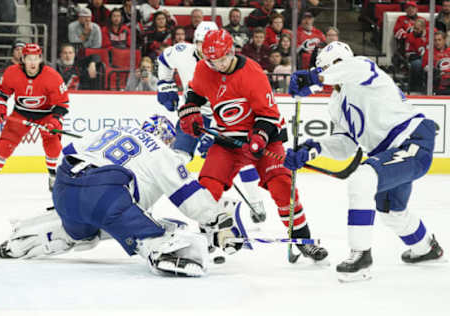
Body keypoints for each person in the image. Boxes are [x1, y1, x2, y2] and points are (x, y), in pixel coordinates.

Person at [0, 116, 247, 277]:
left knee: (86, 234)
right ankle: (159, 249)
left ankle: (29, 236)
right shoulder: (161, 152)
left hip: (64, 187)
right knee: (157, 233)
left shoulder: (115, 129)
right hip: (105, 193)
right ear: (166, 138)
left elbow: (68, 150)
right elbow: (187, 194)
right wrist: (216, 220)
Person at [286, 41, 444, 282]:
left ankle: (361, 257)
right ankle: (427, 248)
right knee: (392, 212)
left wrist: (314, 77)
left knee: (361, 178)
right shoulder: (336, 104)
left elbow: (351, 68)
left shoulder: (364, 70)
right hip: (388, 154)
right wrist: (313, 149)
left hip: (413, 140)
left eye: (336, 65)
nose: (336, 71)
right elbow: (345, 145)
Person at [178, 29, 328, 261]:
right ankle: (206, 239)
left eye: (221, 59)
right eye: (211, 60)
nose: (216, 65)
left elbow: (268, 115)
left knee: (282, 185)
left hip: (265, 137)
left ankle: (303, 240)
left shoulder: (252, 72)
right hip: (228, 139)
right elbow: (194, 94)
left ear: (231, 52)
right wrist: (190, 112)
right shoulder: (204, 68)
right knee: (208, 186)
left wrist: (258, 138)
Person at [157, 22, 267, 223]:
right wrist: (165, 84)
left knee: (238, 158)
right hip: (192, 114)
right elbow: (164, 59)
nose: (203, 49)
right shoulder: (182, 51)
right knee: (177, 158)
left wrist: (215, 134)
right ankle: (184, 203)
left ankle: (256, 201)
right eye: (199, 43)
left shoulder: (227, 62)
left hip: (222, 118)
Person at [0, 43, 69, 194]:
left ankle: (53, 176)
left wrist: (55, 120)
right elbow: (2, 93)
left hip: (46, 114)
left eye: (36, 58)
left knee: (53, 146)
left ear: (40, 59)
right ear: (23, 59)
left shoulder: (52, 76)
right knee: (4, 145)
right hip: (21, 113)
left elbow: (62, 103)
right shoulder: (12, 72)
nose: (32, 62)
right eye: (29, 58)